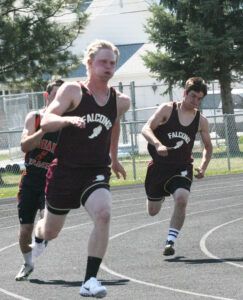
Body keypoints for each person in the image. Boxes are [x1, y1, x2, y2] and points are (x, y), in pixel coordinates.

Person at [33, 40, 130, 298]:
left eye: (112, 63)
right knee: (51, 230)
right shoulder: (73, 91)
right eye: (102, 61)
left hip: (95, 170)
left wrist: (114, 156)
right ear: (89, 63)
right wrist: (66, 119)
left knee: (104, 213)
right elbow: (47, 119)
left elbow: (114, 125)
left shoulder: (120, 101)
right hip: (65, 170)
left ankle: (89, 280)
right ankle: (39, 233)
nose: (108, 67)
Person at [142, 77, 213, 256]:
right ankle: (160, 195)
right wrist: (158, 144)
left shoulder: (201, 121)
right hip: (159, 167)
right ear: (184, 93)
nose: (196, 101)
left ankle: (170, 241)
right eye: (193, 96)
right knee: (152, 211)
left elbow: (208, 147)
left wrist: (203, 167)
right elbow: (146, 129)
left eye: (199, 98)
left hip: (182, 167)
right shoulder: (167, 109)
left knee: (181, 199)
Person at [15, 79, 64, 281]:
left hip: (51, 180)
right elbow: (25, 146)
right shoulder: (35, 118)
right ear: (47, 96)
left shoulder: (66, 124)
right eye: (55, 95)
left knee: (46, 218)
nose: (59, 99)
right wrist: (43, 128)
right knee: (25, 229)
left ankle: (40, 240)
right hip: (29, 179)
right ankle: (28, 263)